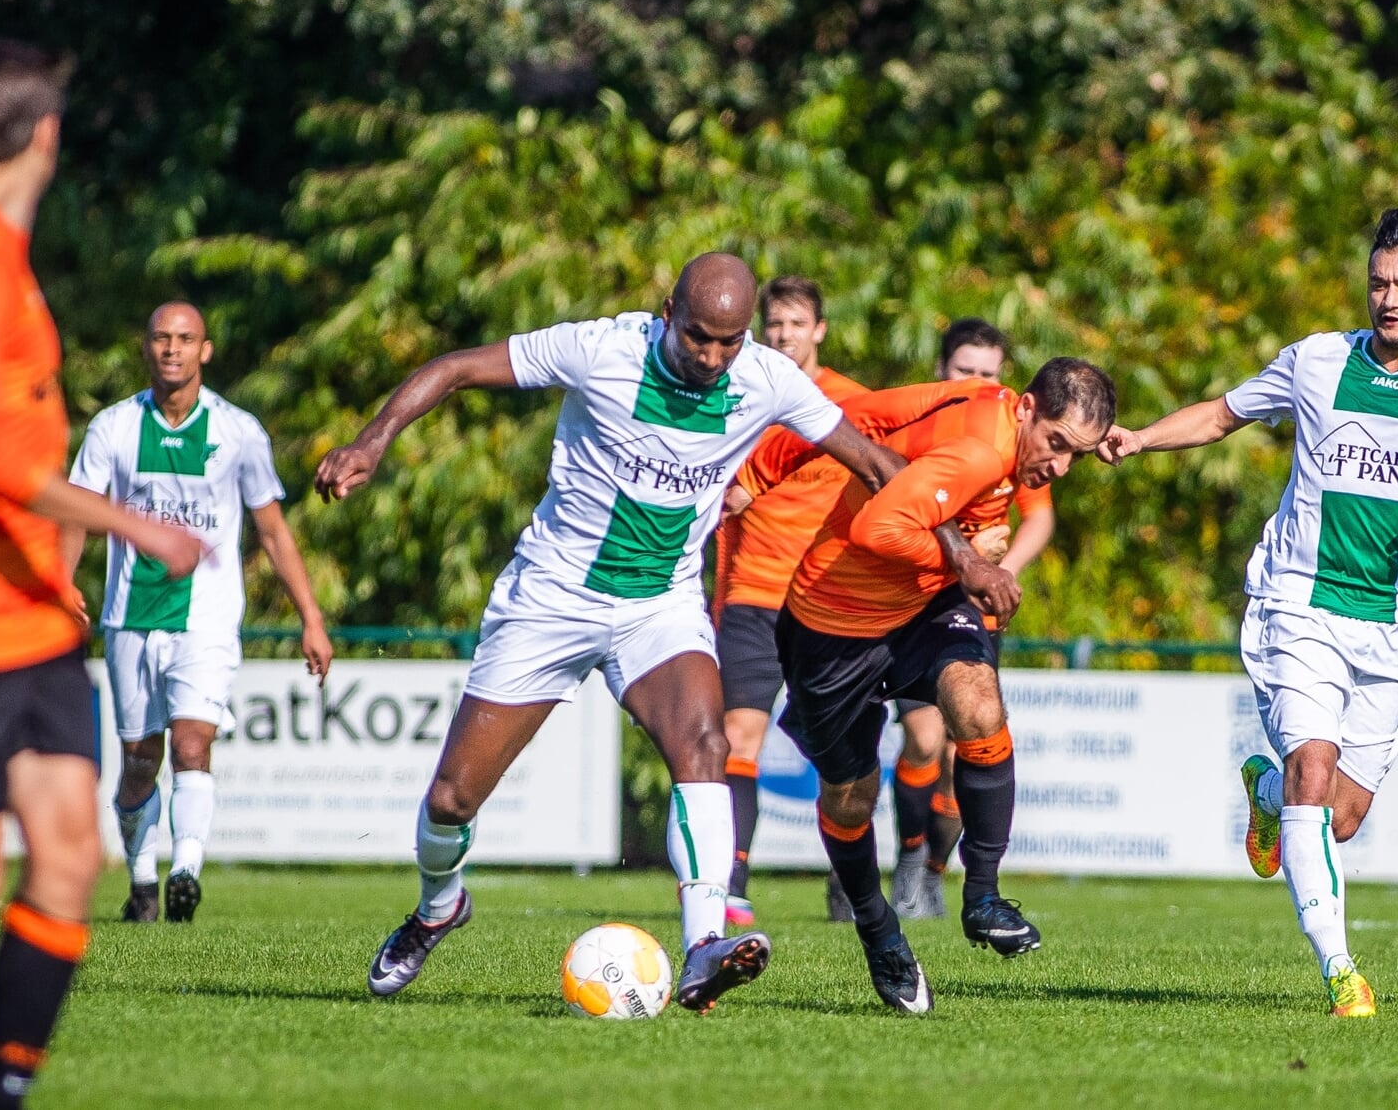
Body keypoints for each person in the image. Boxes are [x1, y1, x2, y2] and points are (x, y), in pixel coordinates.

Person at [314, 253, 980, 1013]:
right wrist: (372, 441)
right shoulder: (602, 350)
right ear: (668, 312)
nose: (713, 356)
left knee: (706, 747)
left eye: (730, 341)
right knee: (451, 801)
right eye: (699, 337)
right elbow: (457, 367)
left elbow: (872, 461)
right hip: (552, 598)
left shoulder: (764, 377)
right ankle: (439, 905)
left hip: (657, 608)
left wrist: (957, 550)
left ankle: (703, 947)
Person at [1104, 209, 1398, 1018]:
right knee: (1314, 764)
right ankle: (1342, 974)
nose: (1389, 299)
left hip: (1394, 619)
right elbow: (1224, 413)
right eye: (1378, 282)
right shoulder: (1318, 360)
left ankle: (1266, 796)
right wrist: (1140, 439)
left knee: (1338, 813)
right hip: (1296, 600)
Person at [0, 39, 200, 1109]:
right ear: (44, 135)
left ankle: (1, 1092)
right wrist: (140, 527)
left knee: (72, 848)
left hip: (27, 618)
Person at [741, 358, 1113, 1012]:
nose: (1058, 468)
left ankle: (985, 896)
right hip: (836, 622)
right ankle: (875, 925)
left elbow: (865, 415)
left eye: (1074, 457)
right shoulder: (977, 451)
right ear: (1025, 408)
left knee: (977, 702)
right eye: (1056, 444)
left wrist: (764, 466)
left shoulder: (985, 402)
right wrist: (967, 560)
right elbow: (875, 527)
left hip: (922, 606)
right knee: (851, 797)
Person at [62, 301, 334, 924]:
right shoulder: (114, 427)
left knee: (191, 744)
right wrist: (58, 581)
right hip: (130, 615)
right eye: (162, 337)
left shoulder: (239, 431)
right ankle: (142, 883)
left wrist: (310, 618)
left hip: (208, 618)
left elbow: (272, 531)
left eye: (186, 338)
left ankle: (185, 870)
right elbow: (78, 509)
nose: (173, 349)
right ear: (147, 346)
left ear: (205, 350)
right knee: (139, 762)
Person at [887, 318, 1056, 921]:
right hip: (910, 600)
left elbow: (1037, 517)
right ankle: (908, 858)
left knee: (966, 749)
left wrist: (997, 575)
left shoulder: (1019, 446)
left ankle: (936, 871)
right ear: (941, 373)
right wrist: (964, 561)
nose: (980, 382)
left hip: (969, 606)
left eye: (990, 373)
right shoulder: (935, 429)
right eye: (967, 371)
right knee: (924, 738)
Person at [711, 277, 866, 929]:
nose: (783, 335)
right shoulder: (733, 396)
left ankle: (850, 880)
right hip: (751, 594)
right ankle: (731, 885)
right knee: (735, 739)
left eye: (796, 323)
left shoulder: (853, 405)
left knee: (845, 756)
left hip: (829, 601)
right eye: (773, 324)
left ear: (819, 330)